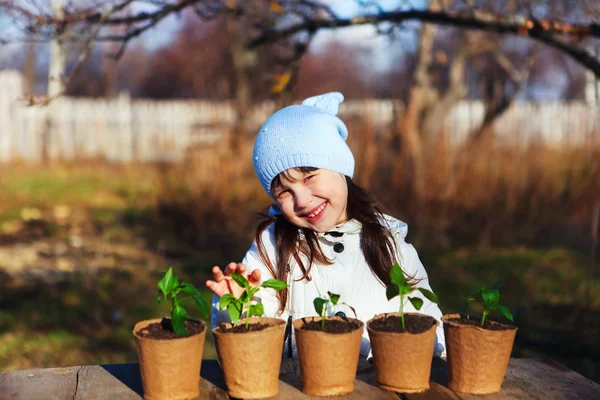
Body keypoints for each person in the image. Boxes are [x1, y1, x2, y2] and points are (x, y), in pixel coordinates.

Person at [206, 92, 445, 358]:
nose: (303, 200)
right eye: (284, 192)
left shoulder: (389, 242)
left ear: (339, 165)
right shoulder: (272, 248)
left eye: (309, 177)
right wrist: (235, 305)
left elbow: (433, 332)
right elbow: (247, 344)